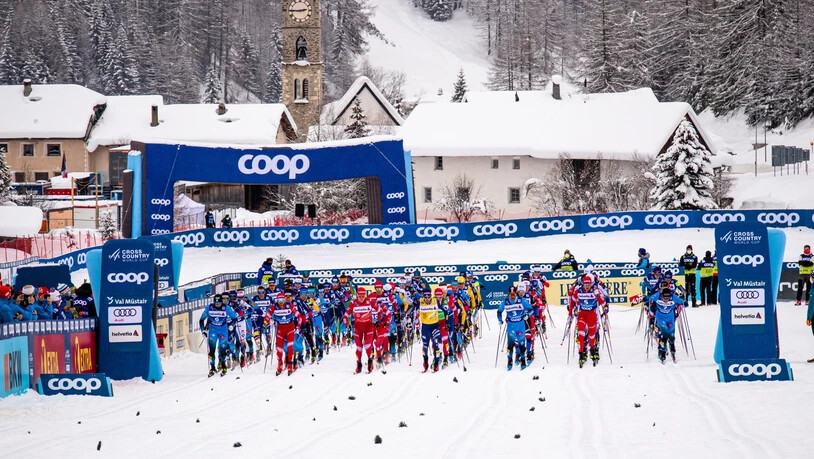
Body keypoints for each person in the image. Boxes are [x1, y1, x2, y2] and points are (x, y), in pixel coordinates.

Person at [569, 275, 606, 368]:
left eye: (588, 284)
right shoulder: (578, 290)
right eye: (585, 284)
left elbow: (602, 301)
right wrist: (571, 312)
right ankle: (581, 353)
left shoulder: (595, 291)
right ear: (582, 284)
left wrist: (605, 308)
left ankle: (593, 350)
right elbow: (572, 301)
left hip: (592, 315)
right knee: (581, 334)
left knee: (592, 336)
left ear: (591, 284)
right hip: (582, 315)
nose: (587, 286)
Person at [265, 292, 303, 376]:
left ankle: (290, 365)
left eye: (282, 300)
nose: (281, 302)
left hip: (290, 329)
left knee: (290, 347)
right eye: (279, 300)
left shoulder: (290, 305)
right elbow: (267, 316)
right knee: (279, 349)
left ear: (285, 300)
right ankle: (280, 364)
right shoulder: (274, 306)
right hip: (280, 330)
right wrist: (265, 323)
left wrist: (298, 327)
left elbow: (299, 317)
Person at [200, 294, 238, 377]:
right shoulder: (209, 308)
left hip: (223, 330)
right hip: (213, 330)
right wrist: (203, 331)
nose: (217, 305)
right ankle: (212, 367)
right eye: (216, 303)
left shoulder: (226, 308)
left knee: (222, 349)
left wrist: (232, 325)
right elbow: (201, 320)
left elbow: (235, 318)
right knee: (211, 350)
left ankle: (223, 366)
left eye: (219, 303)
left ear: (222, 302)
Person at [344, 287, 379, 374]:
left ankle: (370, 364)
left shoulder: (369, 301)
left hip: (369, 327)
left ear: (365, 295)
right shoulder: (353, 303)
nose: (361, 298)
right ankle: (358, 365)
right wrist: (347, 325)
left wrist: (378, 321)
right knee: (359, 347)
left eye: (363, 296)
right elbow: (346, 315)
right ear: (357, 295)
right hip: (358, 327)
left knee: (367, 346)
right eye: (359, 296)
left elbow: (379, 310)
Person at [498, 286, 532, 371]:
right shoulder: (505, 302)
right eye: (511, 294)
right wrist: (500, 320)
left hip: (520, 324)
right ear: (508, 294)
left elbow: (530, 309)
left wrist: (527, 315)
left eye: (514, 294)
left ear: (516, 293)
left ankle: (523, 361)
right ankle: (509, 361)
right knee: (510, 344)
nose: (512, 296)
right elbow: (499, 311)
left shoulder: (522, 300)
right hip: (511, 325)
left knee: (521, 343)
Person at [648, 288, 684, 364]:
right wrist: (646, 298)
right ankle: (662, 352)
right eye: (664, 298)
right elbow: (649, 298)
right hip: (660, 317)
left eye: (667, 298)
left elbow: (682, 301)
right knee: (663, 335)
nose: (666, 300)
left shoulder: (674, 297)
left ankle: (672, 348)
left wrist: (684, 302)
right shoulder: (657, 296)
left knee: (671, 335)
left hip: (670, 318)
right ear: (661, 295)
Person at [417, 288, 442, 372]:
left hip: (435, 326)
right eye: (425, 296)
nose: (427, 298)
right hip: (425, 327)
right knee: (425, 346)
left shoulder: (436, 301)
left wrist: (448, 322)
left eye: (429, 296)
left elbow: (445, 310)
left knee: (436, 344)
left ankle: (436, 363)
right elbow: (412, 309)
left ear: (431, 296)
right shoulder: (420, 302)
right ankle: (425, 361)